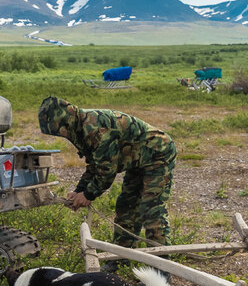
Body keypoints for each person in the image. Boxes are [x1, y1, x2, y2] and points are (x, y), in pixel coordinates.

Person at [37, 96, 176, 249]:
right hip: (137, 160)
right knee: (126, 207)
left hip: (158, 154)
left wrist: (88, 195)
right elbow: (94, 164)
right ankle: (121, 258)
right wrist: (79, 191)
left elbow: (106, 171)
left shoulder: (96, 129)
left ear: (65, 121)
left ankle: (162, 266)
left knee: (151, 209)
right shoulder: (79, 128)